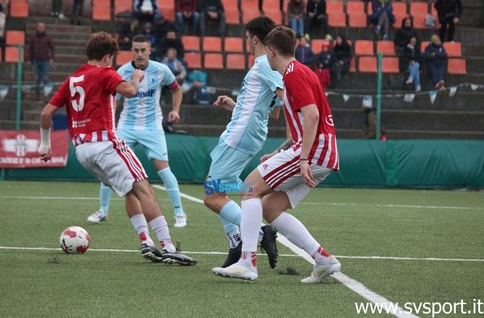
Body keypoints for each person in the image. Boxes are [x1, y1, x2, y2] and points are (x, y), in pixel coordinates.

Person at [39, 32, 196, 265]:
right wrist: (136, 78)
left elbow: (45, 114)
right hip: (106, 144)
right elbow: (130, 91)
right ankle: (168, 246)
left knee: (129, 191)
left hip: (82, 151)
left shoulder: (72, 79)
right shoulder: (105, 72)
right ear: (107, 56)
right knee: (145, 189)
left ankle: (146, 241)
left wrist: (45, 144)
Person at [212, 26, 340, 282]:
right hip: (323, 152)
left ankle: (247, 262)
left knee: (249, 186)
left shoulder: (292, 74)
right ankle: (323, 259)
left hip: (314, 151)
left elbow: (313, 116)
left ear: (271, 51)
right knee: (269, 207)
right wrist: (280, 152)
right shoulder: (301, 72)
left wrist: (302, 159)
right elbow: (305, 120)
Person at [203, 16, 283, 269]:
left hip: (240, 134)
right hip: (248, 131)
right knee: (220, 189)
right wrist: (234, 106)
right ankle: (236, 242)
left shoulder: (262, 65)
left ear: (255, 38)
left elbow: (286, 98)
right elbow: (274, 112)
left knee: (212, 195)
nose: (246, 42)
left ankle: (260, 232)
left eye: (247, 37)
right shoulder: (272, 67)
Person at [87, 35, 188, 227]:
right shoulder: (122, 71)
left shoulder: (161, 70)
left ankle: (179, 213)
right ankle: (103, 210)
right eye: (136, 50)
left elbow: (176, 89)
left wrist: (175, 110)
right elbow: (113, 101)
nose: (140, 54)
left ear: (150, 50)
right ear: (131, 51)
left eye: (143, 50)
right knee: (109, 167)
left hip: (152, 126)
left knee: (164, 169)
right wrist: (108, 124)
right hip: (127, 126)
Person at [27, 22, 55, 101]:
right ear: (37, 28)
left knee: (45, 77)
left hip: (45, 60)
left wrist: (52, 58)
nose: (41, 29)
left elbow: (52, 48)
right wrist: (29, 59)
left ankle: (47, 95)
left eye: (43, 27)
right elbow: (30, 49)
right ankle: (37, 96)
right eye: (40, 27)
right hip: (36, 60)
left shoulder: (47, 38)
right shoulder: (34, 38)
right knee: (37, 79)